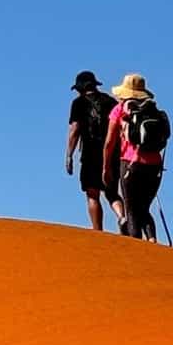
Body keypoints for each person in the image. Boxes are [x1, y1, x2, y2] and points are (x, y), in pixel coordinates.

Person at [102, 73, 168, 240]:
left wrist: (106, 167)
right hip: (155, 166)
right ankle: (152, 240)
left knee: (131, 210)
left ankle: (136, 247)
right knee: (144, 209)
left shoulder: (120, 110)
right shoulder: (153, 110)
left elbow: (109, 142)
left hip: (131, 164)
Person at [63, 70, 113, 229]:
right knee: (112, 193)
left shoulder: (78, 103)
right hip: (112, 151)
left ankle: (97, 231)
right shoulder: (111, 101)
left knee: (93, 194)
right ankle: (122, 217)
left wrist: (69, 154)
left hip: (90, 152)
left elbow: (74, 130)